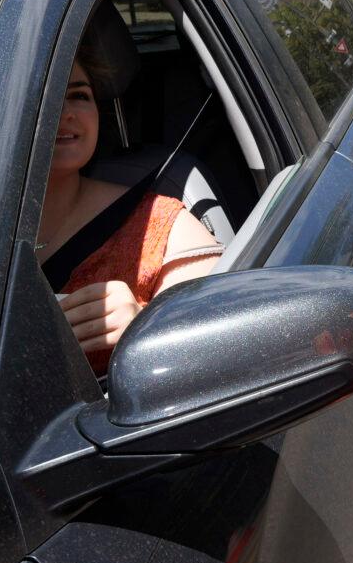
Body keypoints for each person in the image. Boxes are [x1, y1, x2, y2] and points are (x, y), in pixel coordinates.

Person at [40, 36, 220, 374]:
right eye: (43, 97)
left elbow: (223, 353)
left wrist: (146, 328)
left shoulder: (163, 227)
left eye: (79, 95)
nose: (65, 113)